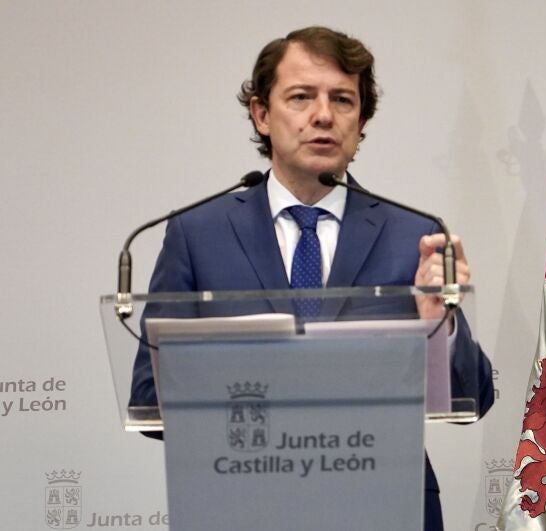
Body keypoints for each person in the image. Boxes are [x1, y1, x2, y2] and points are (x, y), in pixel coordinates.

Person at [129, 26, 493, 531]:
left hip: (386, 507)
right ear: (262, 114)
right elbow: (149, 397)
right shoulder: (197, 234)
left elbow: (472, 398)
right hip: (241, 508)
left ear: (361, 120)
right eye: (301, 97)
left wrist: (442, 328)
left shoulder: (414, 235)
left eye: (342, 99)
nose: (323, 115)